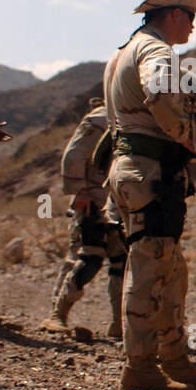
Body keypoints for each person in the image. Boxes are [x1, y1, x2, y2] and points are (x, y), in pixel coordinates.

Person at [103, 0, 196, 390]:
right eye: (190, 18)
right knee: (149, 268)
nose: (193, 26)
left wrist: (195, 140)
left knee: (170, 270)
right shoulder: (156, 51)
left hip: (136, 169)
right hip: (149, 174)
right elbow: (159, 95)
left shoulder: (123, 51)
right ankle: (141, 367)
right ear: (174, 15)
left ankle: (175, 362)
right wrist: (193, 141)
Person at [42, 99, 126, 336]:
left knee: (121, 262)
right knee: (88, 258)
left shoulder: (134, 118)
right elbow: (74, 155)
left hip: (118, 203)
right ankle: (58, 314)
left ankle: (119, 325)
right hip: (93, 201)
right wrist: (79, 191)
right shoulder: (100, 118)